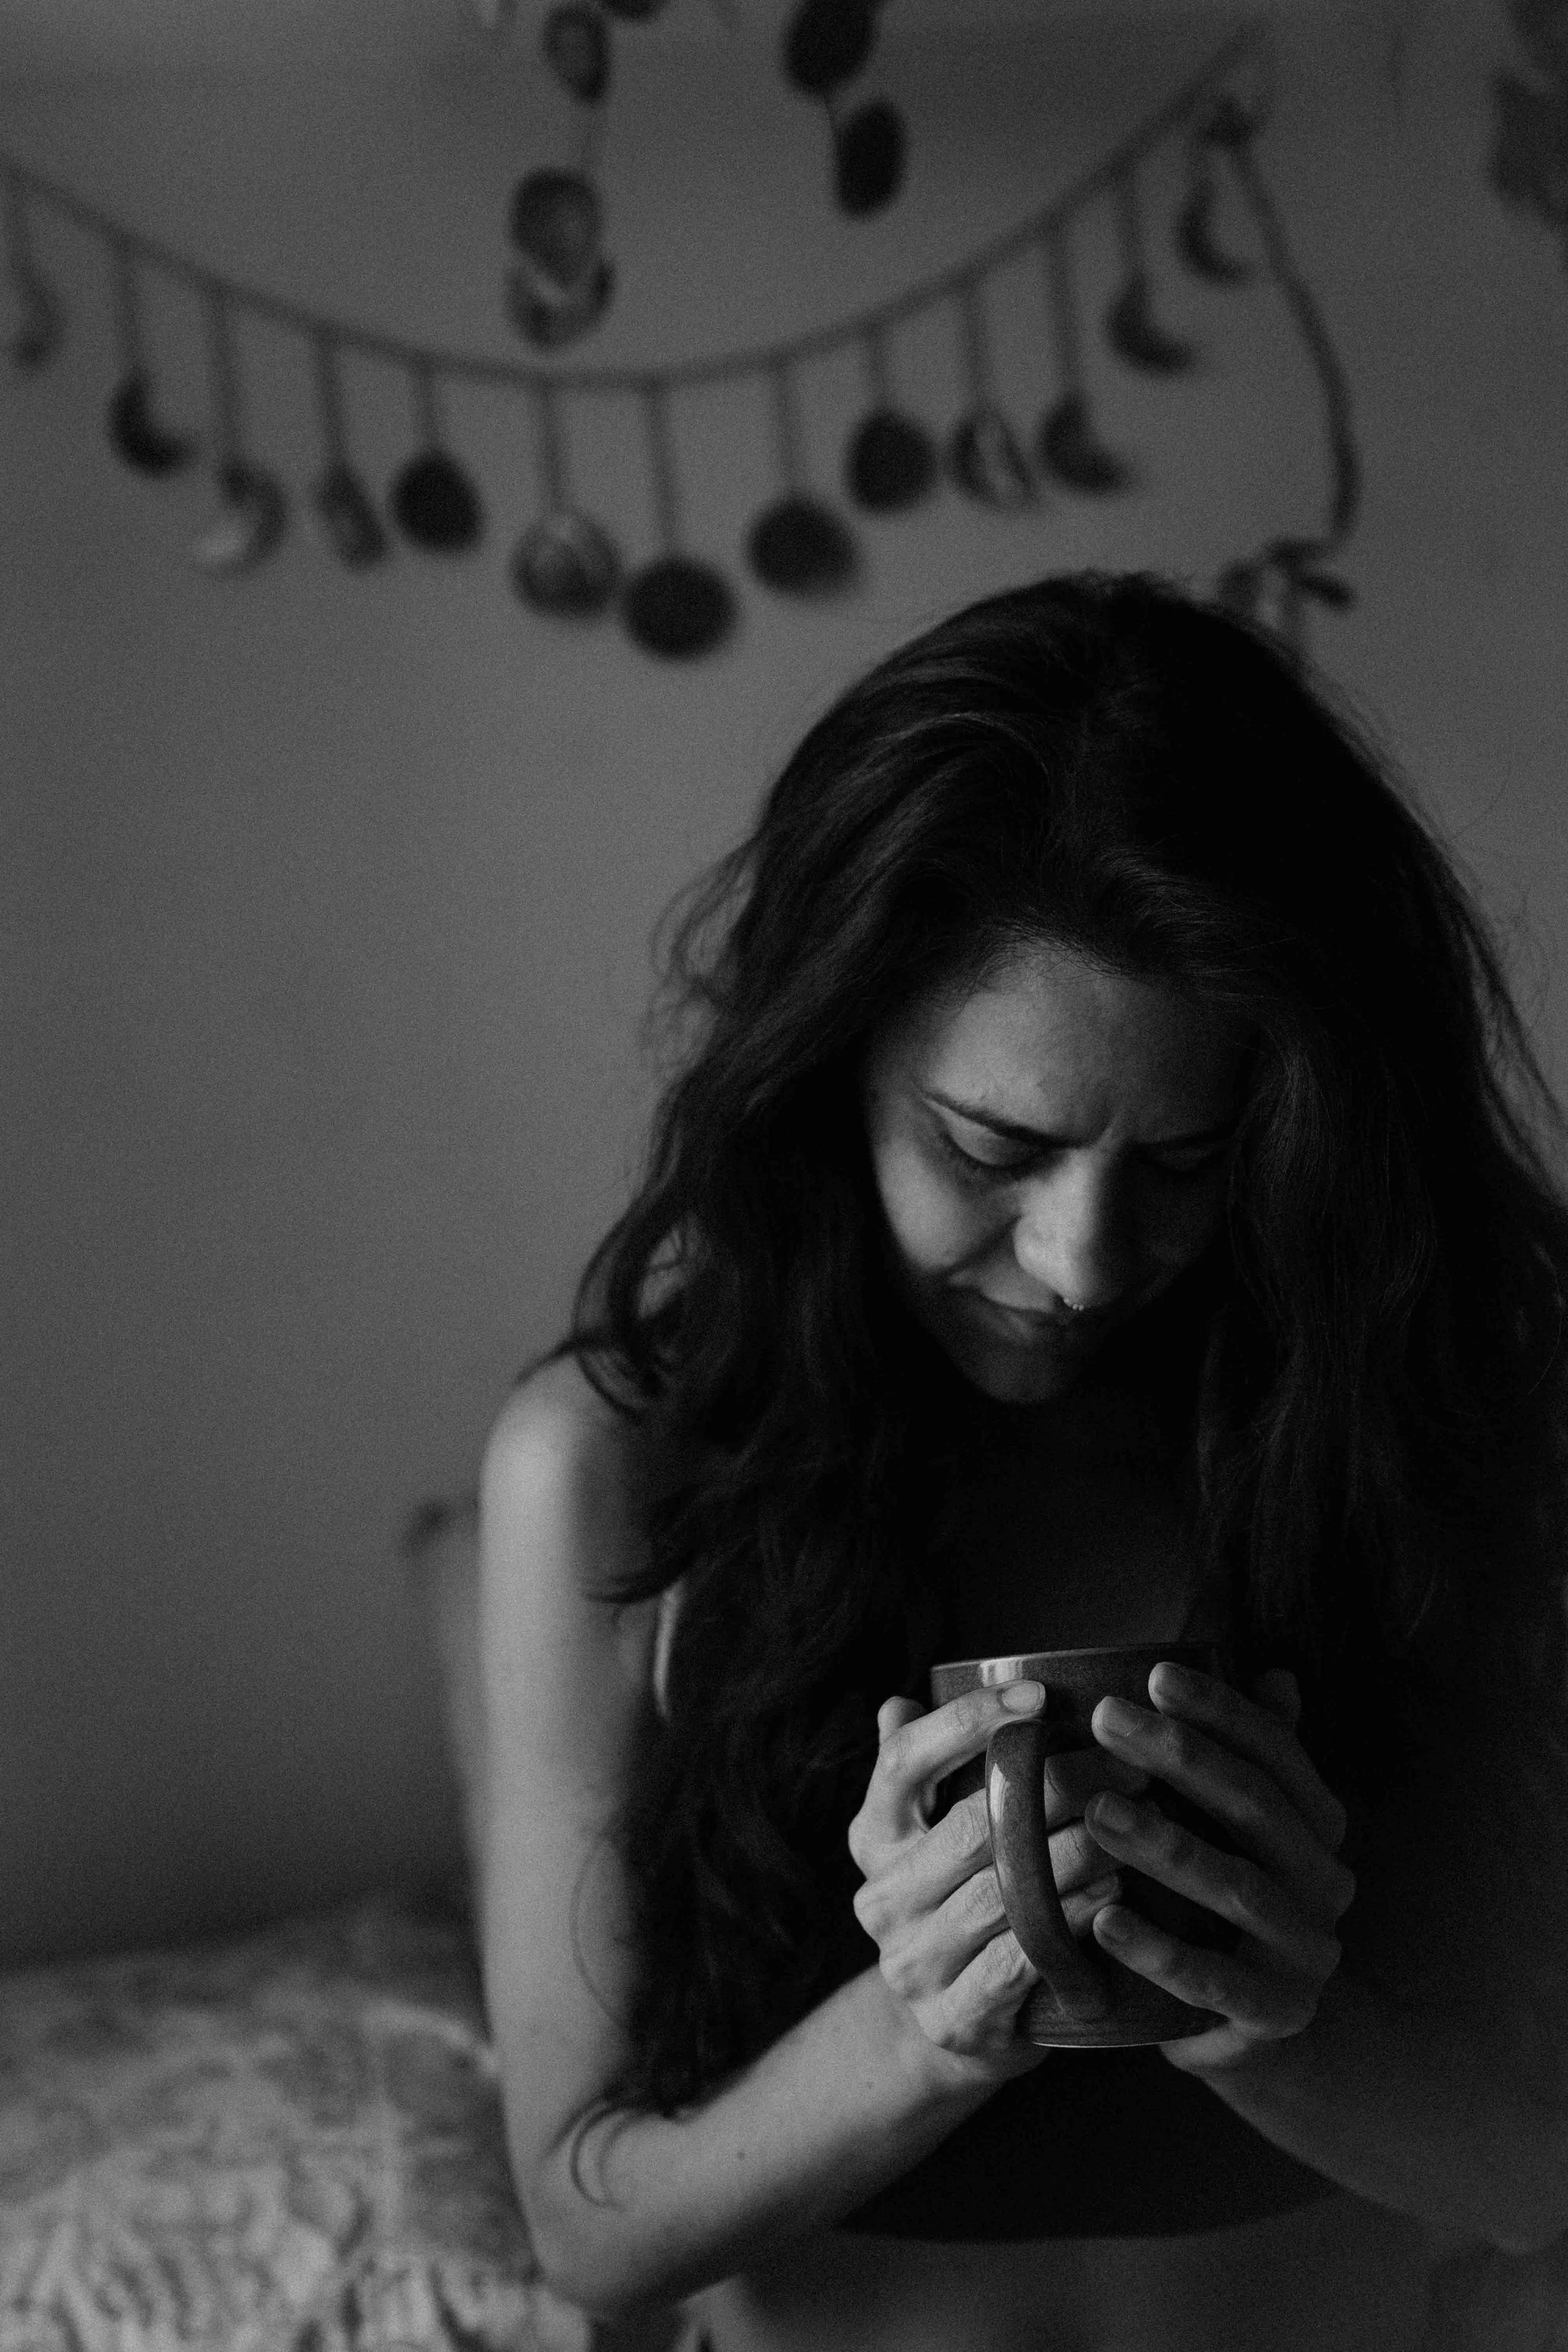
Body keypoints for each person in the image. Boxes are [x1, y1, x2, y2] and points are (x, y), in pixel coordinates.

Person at [474, 573, 1568, 2352]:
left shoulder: (1422, 1419)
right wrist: (922, 2028)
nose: (1076, 1261)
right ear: (828, 1060)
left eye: (1185, 1161)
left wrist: (1272, 2019)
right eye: (993, 1145)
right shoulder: (609, 1466)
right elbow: (590, 2221)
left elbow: (1535, 2170)